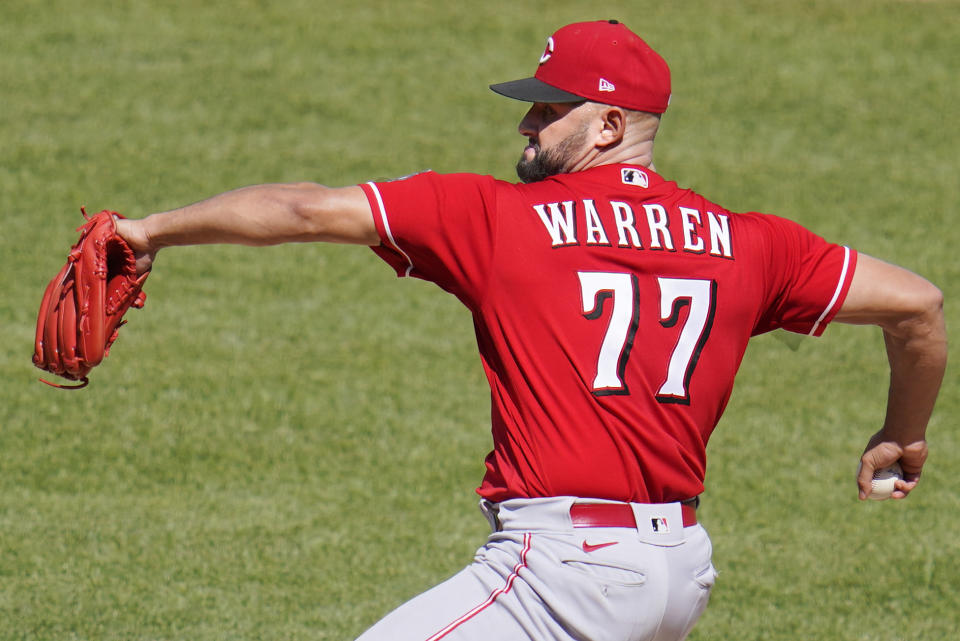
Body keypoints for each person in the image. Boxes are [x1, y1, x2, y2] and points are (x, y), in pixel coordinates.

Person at [114, 20, 946, 641]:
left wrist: (146, 232)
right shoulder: (750, 242)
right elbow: (919, 305)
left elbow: (302, 208)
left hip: (563, 573)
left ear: (609, 127)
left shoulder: (497, 218)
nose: (524, 128)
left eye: (547, 112)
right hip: (680, 571)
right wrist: (901, 433)